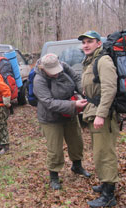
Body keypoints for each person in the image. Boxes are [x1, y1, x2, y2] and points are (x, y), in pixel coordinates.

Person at [33, 53, 90, 190]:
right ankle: (54, 175)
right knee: (55, 149)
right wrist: (74, 105)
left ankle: (77, 166)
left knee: (76, 141)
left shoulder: (64, 67)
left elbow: (76, 78)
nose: (56, 74)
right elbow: (49, 103)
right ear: (43, 68)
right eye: (52, 72)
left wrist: (83, 89)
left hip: (69, 114)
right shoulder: (39, 80)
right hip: (50, 118)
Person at [78, 31, 118, 207]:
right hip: (93, 111)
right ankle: (105, 184)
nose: (85, 45)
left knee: (105, 153)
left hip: (103, 114)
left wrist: (101, 114)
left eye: (90, 42)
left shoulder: (103, 61)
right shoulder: (91, 61)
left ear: (98, 44)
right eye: (84, 42)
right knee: (98, 152)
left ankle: (109, 196)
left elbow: (110, 88)